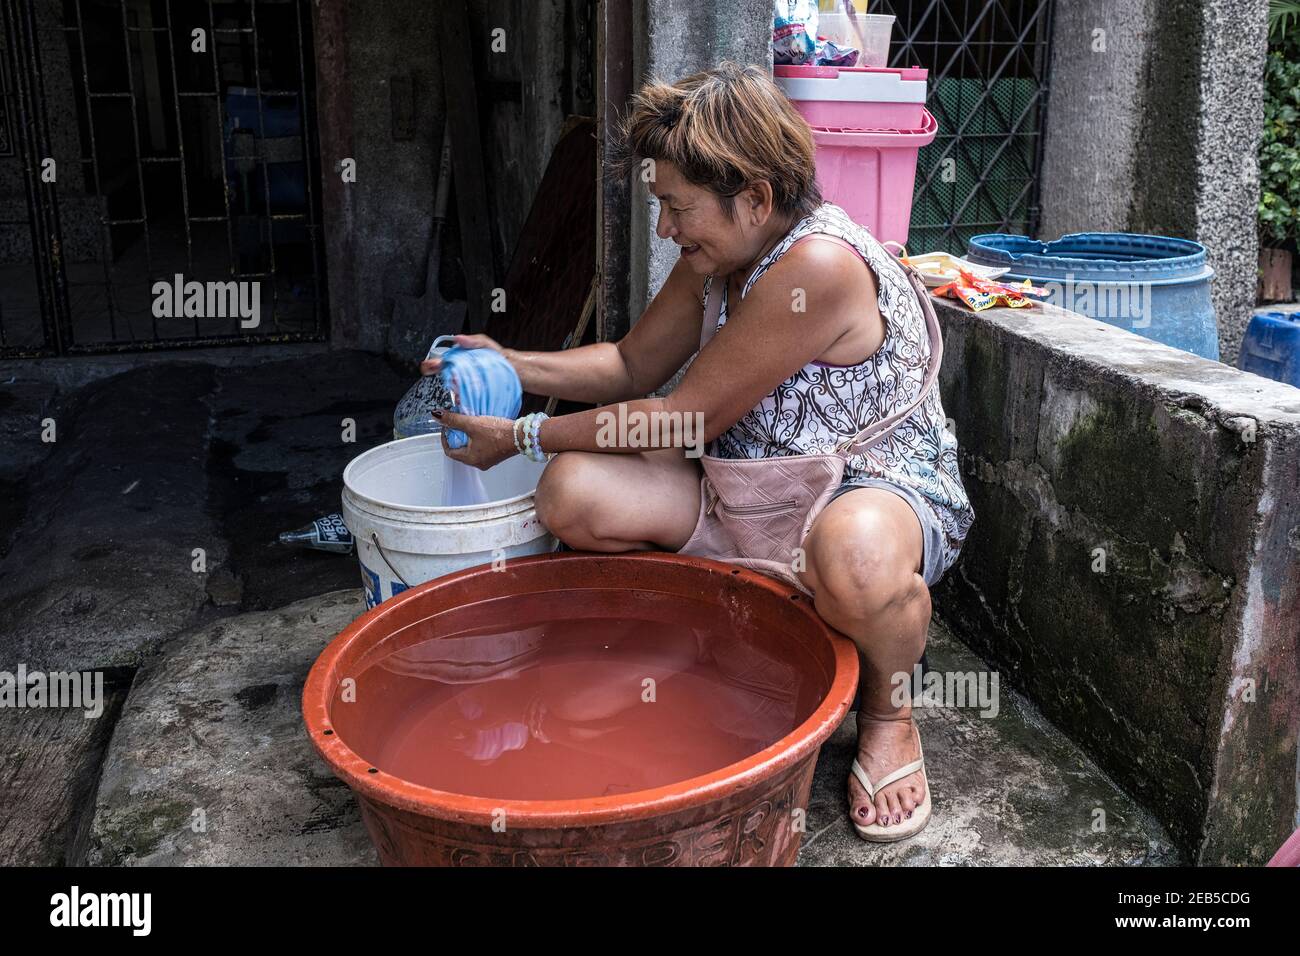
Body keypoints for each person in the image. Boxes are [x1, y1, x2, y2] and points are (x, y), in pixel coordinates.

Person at [427, 62, 974, 842]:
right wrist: (512, 362)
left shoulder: (816, 269)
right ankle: (715, 634)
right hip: (745, 490)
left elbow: (677, 418)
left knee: (852, 563)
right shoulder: (715, 258)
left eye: (677, 208)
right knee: (570, 493)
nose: (665, 230)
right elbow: (628, 365)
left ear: (753, 197)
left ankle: (889, 712)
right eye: (661, 206)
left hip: (866, 492)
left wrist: (520, 434)